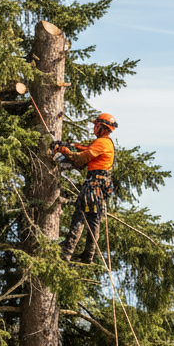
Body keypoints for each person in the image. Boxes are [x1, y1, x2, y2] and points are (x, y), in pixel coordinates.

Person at [53, 112, 117, 264]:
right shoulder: (104, 143)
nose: (94, 128)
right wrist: (70, 145)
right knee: (93, 217)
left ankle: (66, 252)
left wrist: (65, 151)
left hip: (93, 185)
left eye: (96, 125)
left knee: (80, 215)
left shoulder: (103, 143)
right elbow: (86, 148)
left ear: (103, 128)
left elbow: (81, 158)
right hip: (99, 186)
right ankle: (88, 255)